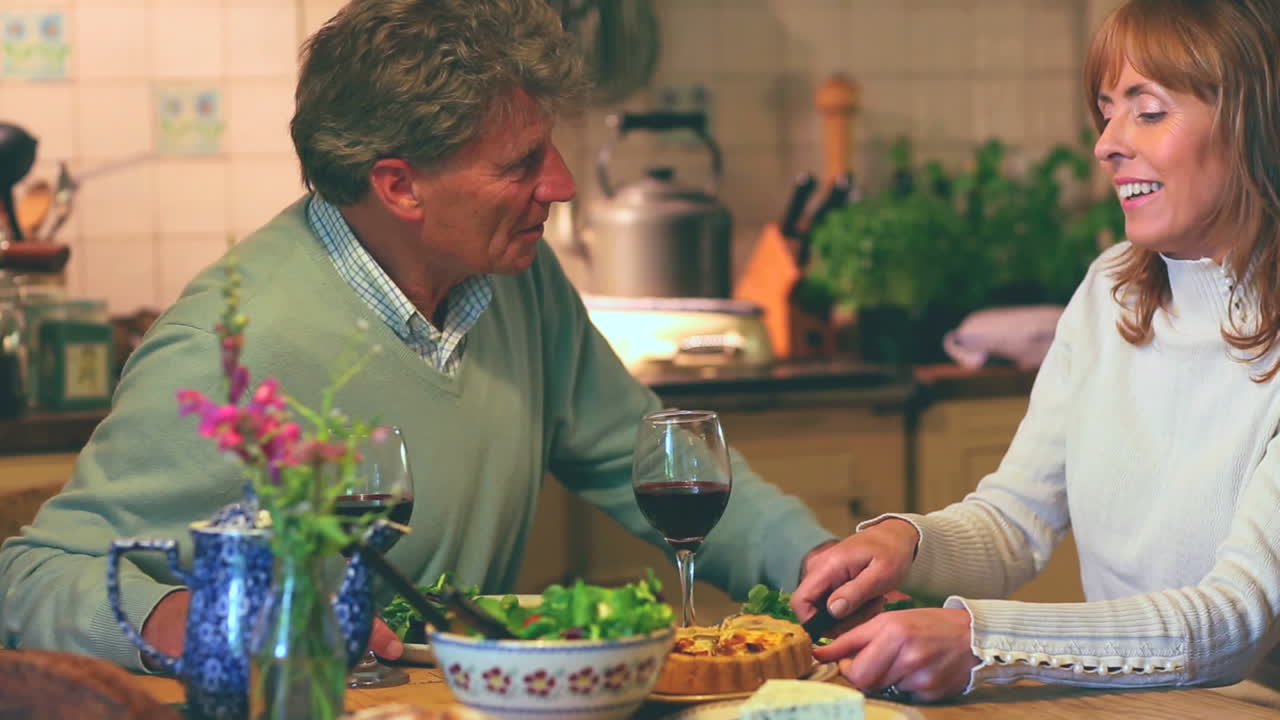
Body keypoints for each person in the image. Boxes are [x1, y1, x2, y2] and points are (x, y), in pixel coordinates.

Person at [0, 0, 837, 670]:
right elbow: (32, 577)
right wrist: (201, 620)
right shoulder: (229, 347)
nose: (562, 184)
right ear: (400, 187)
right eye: (521, 163)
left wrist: (822, 568)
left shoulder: (520, 283)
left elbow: (649, 458)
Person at [792, 0, 1280, 703]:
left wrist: (984, 641)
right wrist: (905, 543)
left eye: (1147, 111)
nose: (1106, 143)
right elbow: (1015, 520)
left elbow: (1233, 623)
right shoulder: (1112, 290)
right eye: (1107, 112)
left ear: (1254, 123)